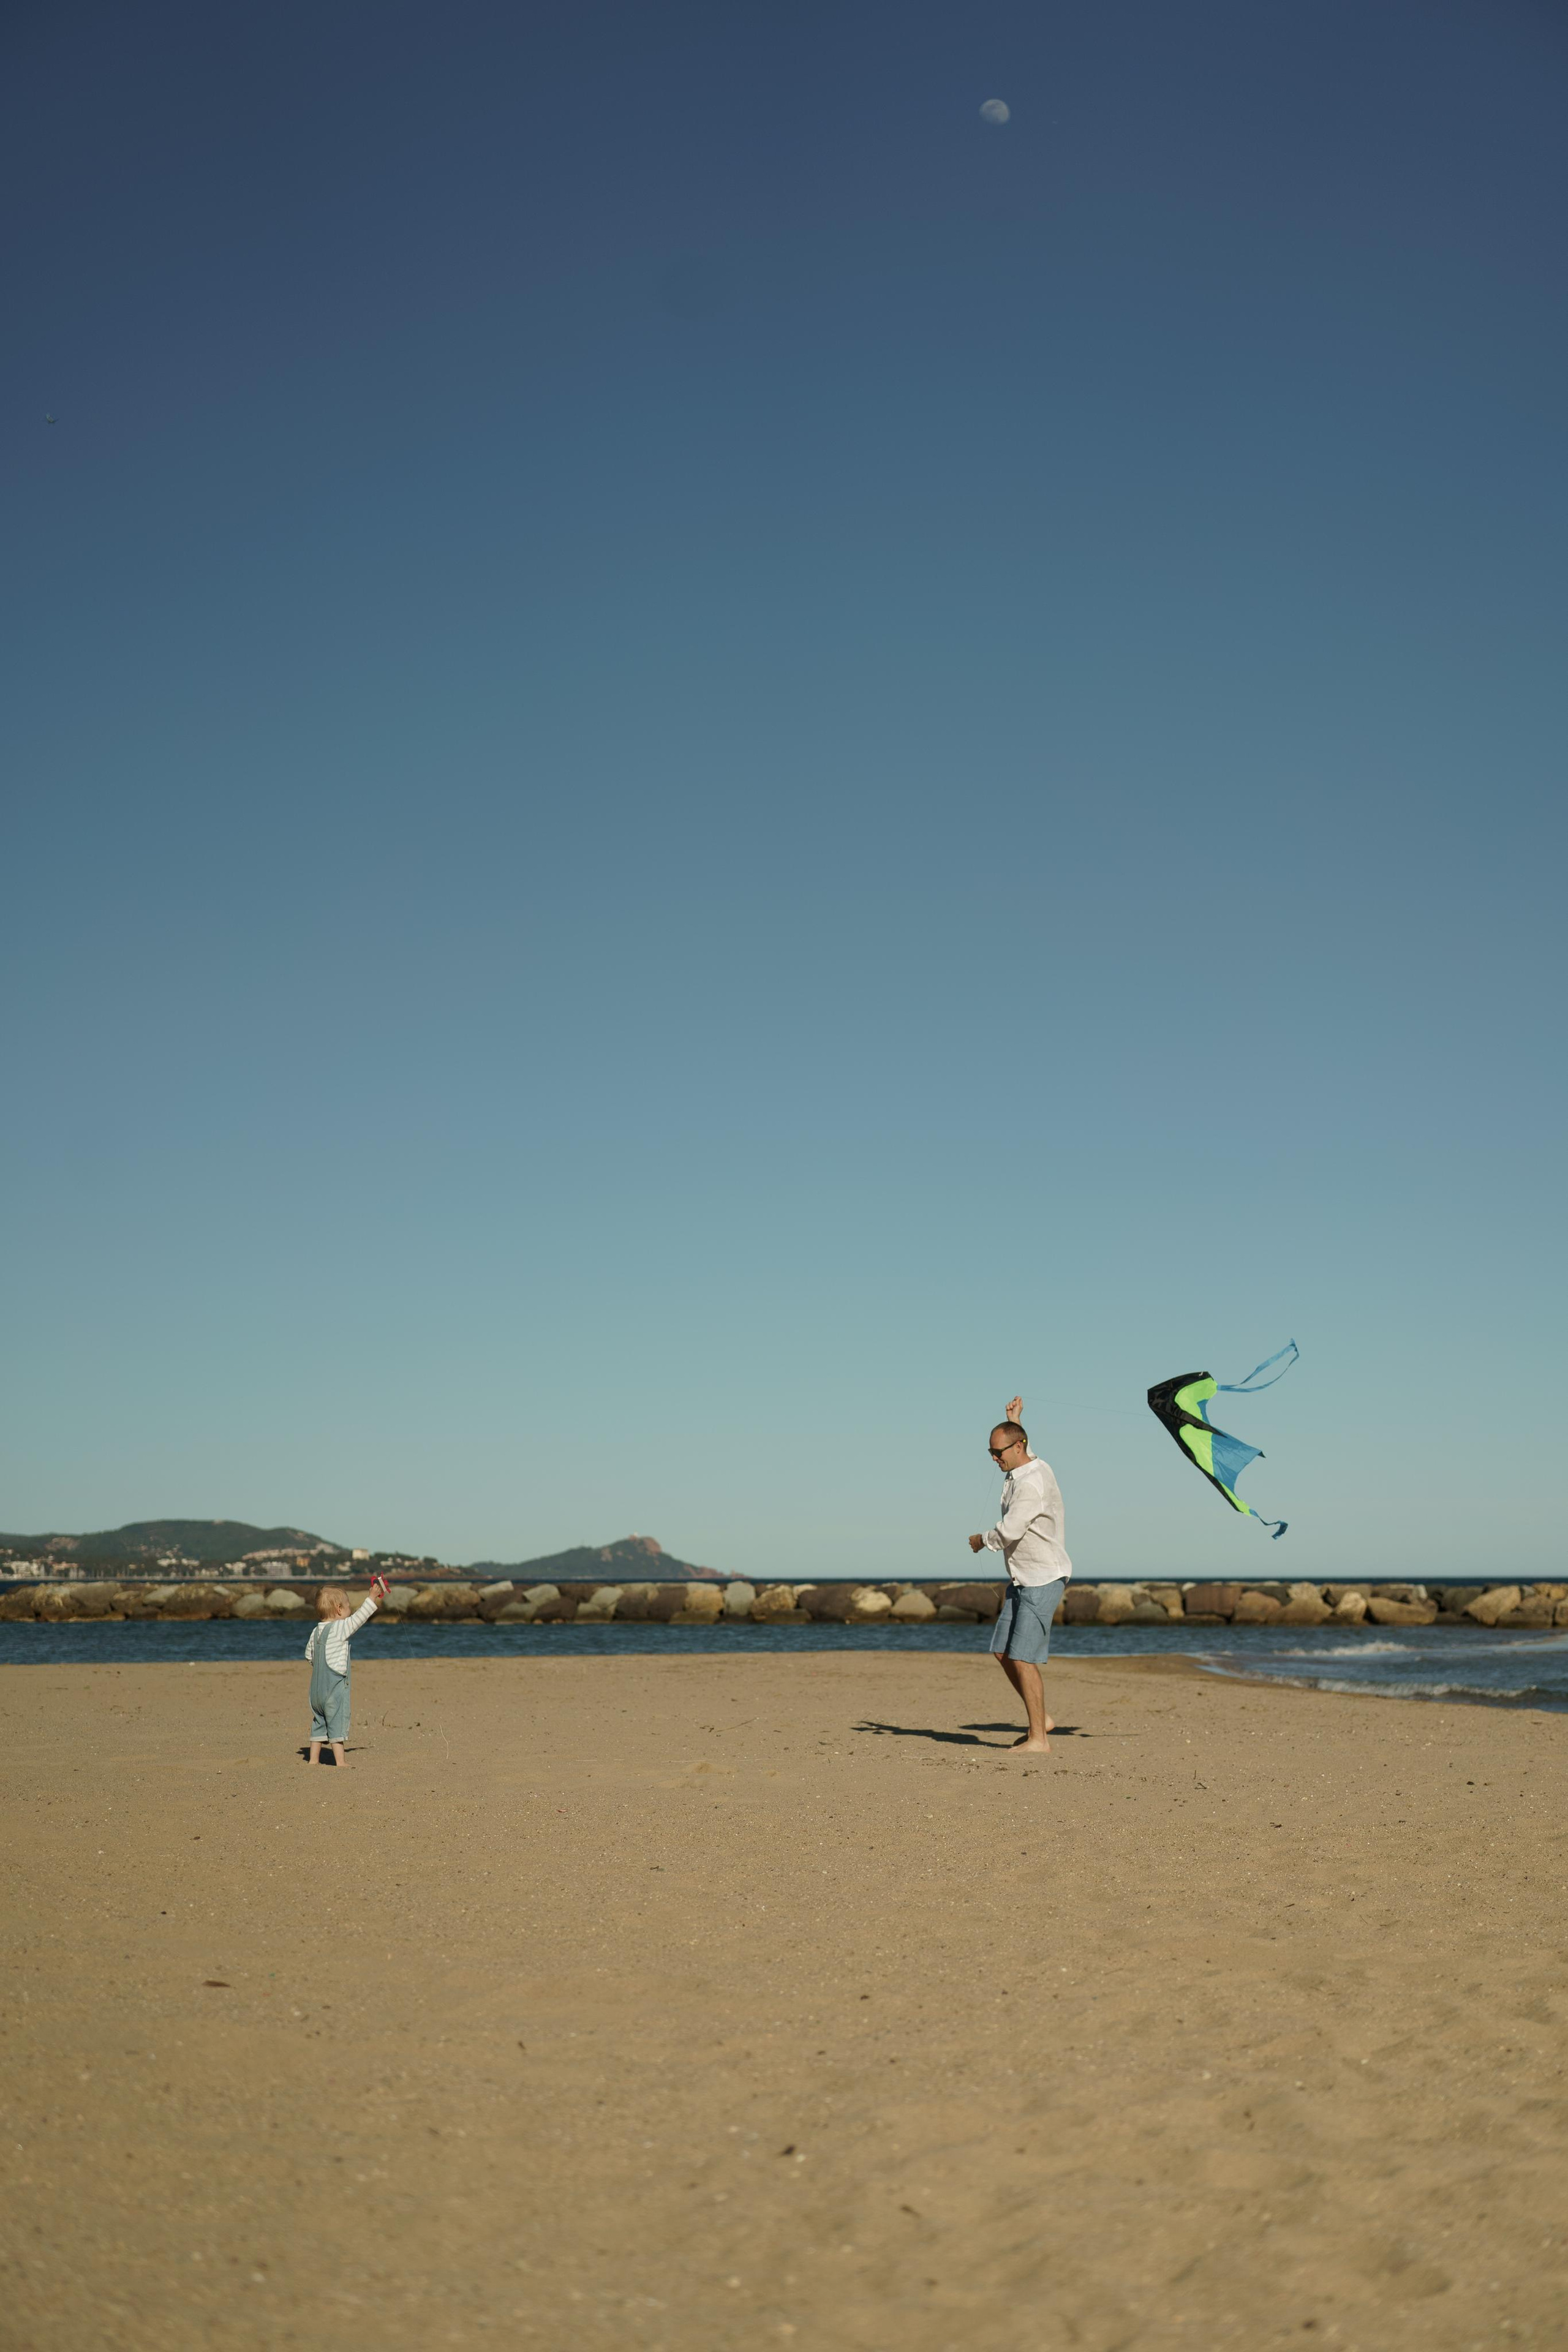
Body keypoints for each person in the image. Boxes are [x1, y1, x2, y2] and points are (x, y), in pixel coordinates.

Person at [968, 1396, 1071, 1753]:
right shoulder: (1029, 1465)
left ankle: (1038, 1740)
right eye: (991, 1452)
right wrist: (1012, 1420)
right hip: (1021, 1578)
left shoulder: (1031, 1483)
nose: (995, 1459)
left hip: (1043, 1578)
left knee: (1024, 1658)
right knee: (1003, 1652)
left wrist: (981, 1540)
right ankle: (1040, 1719)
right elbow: (1023, 1449)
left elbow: (1010, 1530)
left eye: (1000, 1453)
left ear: (1018, 1446)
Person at [304, 1577, 387, 1766]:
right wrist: (372, 1598)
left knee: (319, 1722)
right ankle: (340, 1762)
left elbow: (309, 1655)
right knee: (336, 1722)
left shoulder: (315, 1632)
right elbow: (359, 1619)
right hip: (334, 1688)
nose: (350, 1611)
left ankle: (313, 1760)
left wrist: (320, 1669)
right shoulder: (340, 1628)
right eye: (348, 1606)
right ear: (340, 1610)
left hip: (316, 1692)